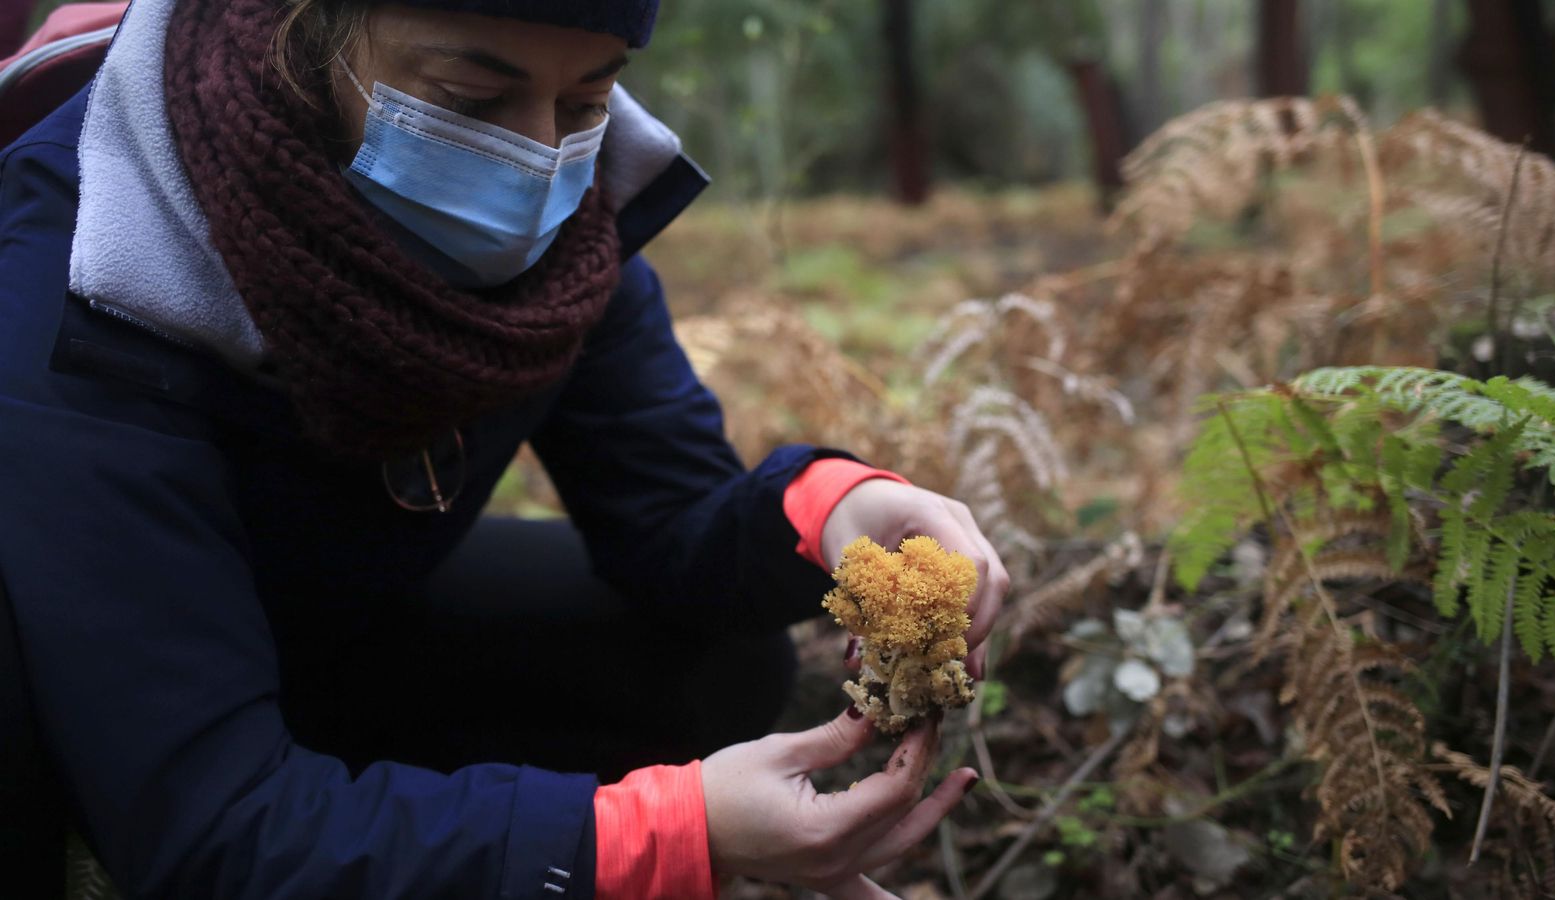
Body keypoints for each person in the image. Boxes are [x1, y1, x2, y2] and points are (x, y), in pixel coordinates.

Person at [0, 0, 1010, 897]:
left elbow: (669, 524)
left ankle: (366, 824)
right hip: (99, 683)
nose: (535, 158)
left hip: (311, 622)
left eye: (583, 102)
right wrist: (645, 838)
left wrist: (828, 509)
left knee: (710, 665)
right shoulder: (92, 259)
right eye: (474, 97)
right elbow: (204, 827)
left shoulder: (573, 225)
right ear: (300, 34)